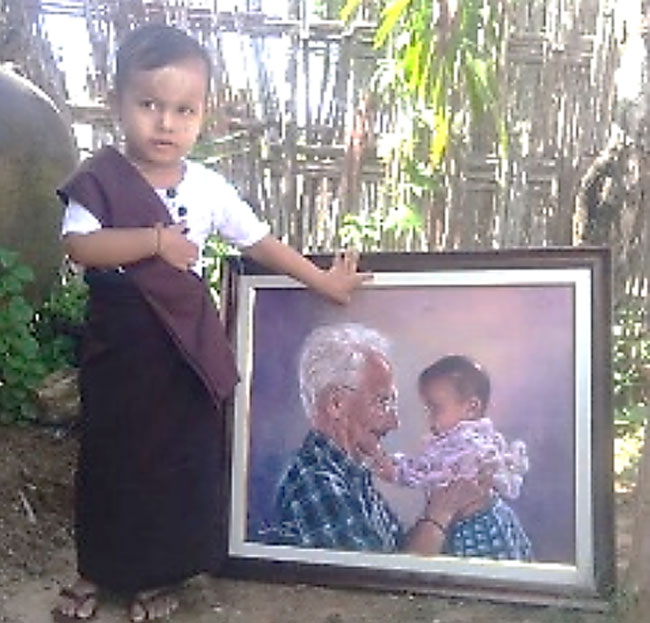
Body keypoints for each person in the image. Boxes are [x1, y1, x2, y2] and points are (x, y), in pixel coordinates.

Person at [52, 24, 368, 623]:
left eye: (183, 109)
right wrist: (152, 241)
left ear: (203, 115)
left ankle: (154, 576)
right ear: (117, 100)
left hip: (182, 350)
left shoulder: (207, 187)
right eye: (149, 104)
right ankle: (95, 569)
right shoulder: (100, 179)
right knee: (111, 458)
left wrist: (322, 280)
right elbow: (80, 247)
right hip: (120, 346)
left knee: (174, 459)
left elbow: (259, 242)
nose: (165, 122)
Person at [270, 324, 487, 555]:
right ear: (336, 404)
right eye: (383, 402)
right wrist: (439, 514)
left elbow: (396, 553)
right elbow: (386, 582)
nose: (394, 422)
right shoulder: (316, 484)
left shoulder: (354, 476)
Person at [370, 355, 533, 561]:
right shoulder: (450, 442)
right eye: (427, 409)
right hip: (458, 523)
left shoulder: (471, 445)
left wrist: (399, 473)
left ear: (471, 408)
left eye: (435, 408)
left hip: (477, 525)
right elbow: (427, 466)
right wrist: (399, 468)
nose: (429, 419)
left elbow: (436, 476)